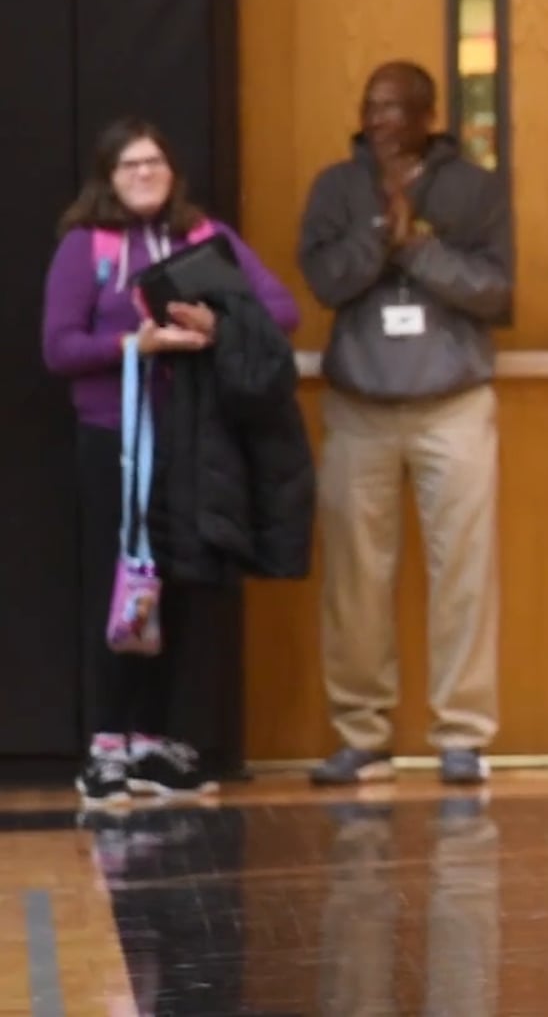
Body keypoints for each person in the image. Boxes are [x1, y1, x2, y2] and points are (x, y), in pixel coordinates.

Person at [42, 119, 301, 803]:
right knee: (121, 585)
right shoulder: (86, 246)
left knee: (182, 584)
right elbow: (60, 348)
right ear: (108, 177)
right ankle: (106, 744)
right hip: (115, 441)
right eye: (129, 165)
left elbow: (281, 310)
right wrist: (137, 344)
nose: (144, 174)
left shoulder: (204, 237)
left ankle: (155, 742)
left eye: (154, 162)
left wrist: (220, 325)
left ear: (173, 171)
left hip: (192, 441)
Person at [298, 60, 513, 788]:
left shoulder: (475, 190)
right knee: (355, 582)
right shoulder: (335, 187)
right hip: (359, 408)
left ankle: (463, 737)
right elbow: (325, 281)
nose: (378, 119)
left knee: (464, 574)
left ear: (428, 115)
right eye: (371, 105)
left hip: (453, 406)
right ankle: (362, 735)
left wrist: (418, 247)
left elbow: (495, 292)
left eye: (393, 107)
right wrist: (378, 236)